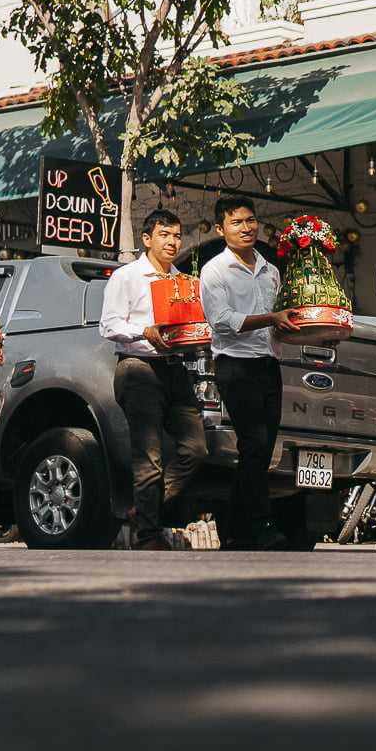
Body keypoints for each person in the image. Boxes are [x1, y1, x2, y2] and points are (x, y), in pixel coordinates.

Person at [100, 210, 209, 552]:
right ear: (147, 239)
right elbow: (108, 325)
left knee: (196, 448)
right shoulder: (128, 276)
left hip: (176, 369)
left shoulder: (184, 281)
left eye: (176, 235)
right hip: (139, 367)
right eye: (164, 235)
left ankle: (145, 509)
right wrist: (143, 332)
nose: (172, 242)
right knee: (148, 456)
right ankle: (149, 535)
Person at [201, 195, 302, 552]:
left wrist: (289, 327)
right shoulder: (214, 270)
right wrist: (271, 319)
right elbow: (222, 322)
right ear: (220, 229)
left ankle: (232, 532)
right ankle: (264, 526)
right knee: (254, 444)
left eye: (250, 220)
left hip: (269, 364)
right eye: (236, 223)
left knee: (259, 451)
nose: (246, 228)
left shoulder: (270, 269)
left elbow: (275, 322)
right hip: (235, 365)